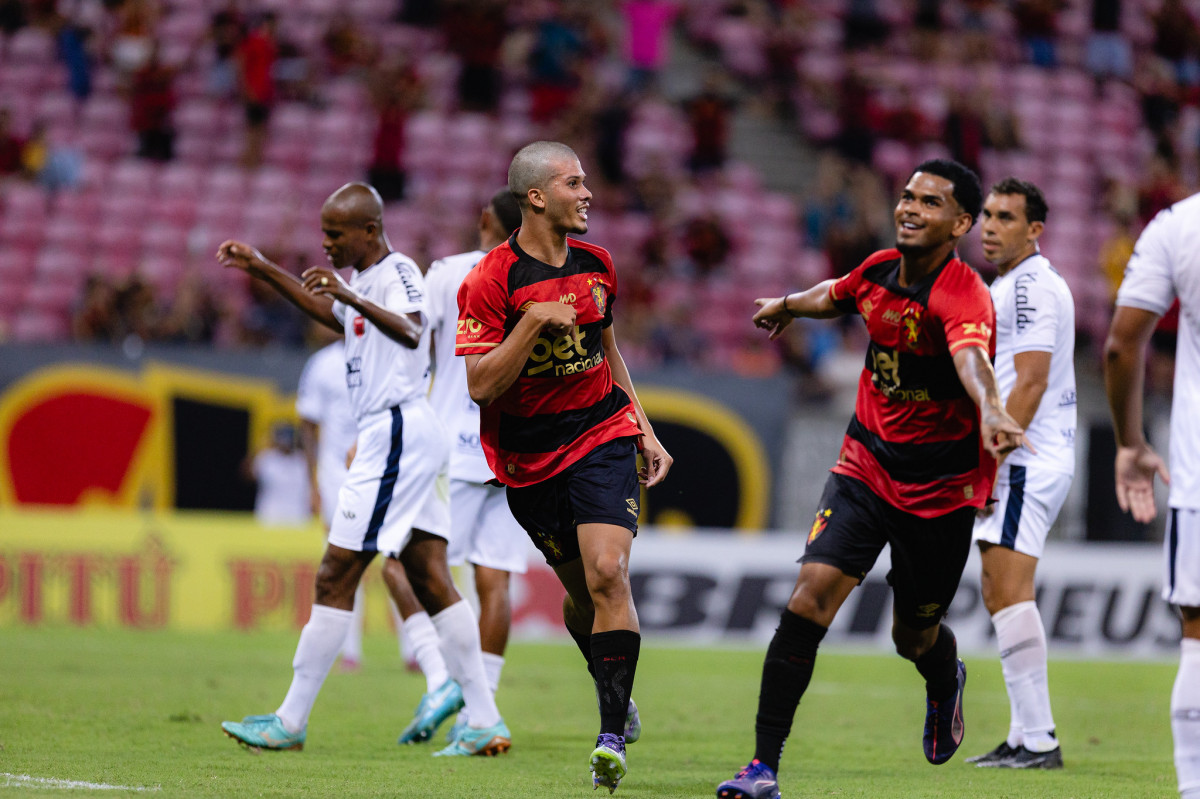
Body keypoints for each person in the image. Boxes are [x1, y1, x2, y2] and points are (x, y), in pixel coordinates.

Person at [717, 159, 1028, 799]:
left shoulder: (962, 293)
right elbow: (836, 293)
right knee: (810, 597)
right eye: (908, 196)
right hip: (865, 465)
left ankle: (945, 680)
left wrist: (993, 409)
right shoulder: (880, 267)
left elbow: (972, 361)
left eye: (931, 202)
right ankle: (761, 767)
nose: (911, 208)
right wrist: (786, 306)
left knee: (912, 635)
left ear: (961, 223)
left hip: (938, 492)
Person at [216, 182, 510, 758]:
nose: (325, 243)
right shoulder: (363, 282)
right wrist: (264, 268)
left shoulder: (397, 269)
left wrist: (350, 299)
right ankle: (484, 719)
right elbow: (332, 314)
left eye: (334, 233)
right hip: (396, 431)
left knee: (335, 573)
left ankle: (290, 719)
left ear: (369, 231)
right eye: (323, 232)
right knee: (428, 575)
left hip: (396, 430)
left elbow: (411, 327)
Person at [456, 141, 672, 793]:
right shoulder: (492, 280)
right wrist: (529, 324)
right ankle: (608, 679)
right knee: (584, 598)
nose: (587, 194)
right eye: (573, 183)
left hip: (602, 430)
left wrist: (645, 426)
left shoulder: (599, 264)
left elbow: (609, 350)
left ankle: (610, 735)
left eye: (587, 181)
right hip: (528, 458)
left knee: (611, 572)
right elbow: (480, 385)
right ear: (536, 197)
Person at [965, 178, 1074, 770]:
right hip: (1030, 453)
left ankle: (1039, 740)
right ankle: (1024, 733)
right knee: (998, 587)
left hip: (1027, 455)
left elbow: (1029, 380)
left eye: (1005, 216)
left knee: (1007, 588)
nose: (990, 225)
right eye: (986, 214)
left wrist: (992, 462)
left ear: (1035, 229)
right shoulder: (1012, 284)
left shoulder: (1031, 287)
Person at [421, 187, 528, 740]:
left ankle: (449, 682)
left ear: (486, 218)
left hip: (454, 443)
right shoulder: (532, 276)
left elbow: (417, 346)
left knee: (413, 564)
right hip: (512, 449)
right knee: (495, 581)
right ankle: (477, 714)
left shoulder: (447, 273)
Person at [1104, 191, 1200, 799]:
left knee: (1198, 635)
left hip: (1199, 478)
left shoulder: (1180, 225)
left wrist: (1130, 442)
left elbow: (1121, 344)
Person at [296, 325, 368, 669]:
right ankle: (350, 651)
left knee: (399, 560)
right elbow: (308, 425)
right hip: (335, 474)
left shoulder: (379, 355)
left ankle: (414, 651)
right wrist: (313, 481)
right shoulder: (322, 364)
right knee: (341, 559)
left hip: (380, 467)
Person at [248, 421, 310, 527]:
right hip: (269, 518)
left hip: (297, 519)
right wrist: (259, 445)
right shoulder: (266, 458)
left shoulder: (303, 460)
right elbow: (247, 474)